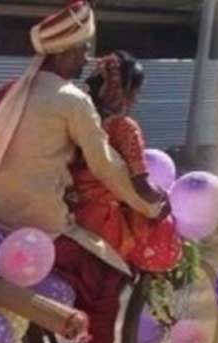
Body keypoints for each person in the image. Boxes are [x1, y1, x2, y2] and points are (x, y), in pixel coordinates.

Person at [0, 2, 167, 343]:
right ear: (67, 52)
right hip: (43, 228)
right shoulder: (72, 99)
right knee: (104, 281)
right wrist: (149, 205)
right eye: (82, 51)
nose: (85, 58)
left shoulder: (9, 91)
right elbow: (106, 166)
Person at [69, 50, 183, 273]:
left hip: (72, 211)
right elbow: (141, 186)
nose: (136, 99)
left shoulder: (76, 120)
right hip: (105, 222)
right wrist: (164, 198)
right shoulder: (124, 128)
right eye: (136, 92)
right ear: (124, 91)